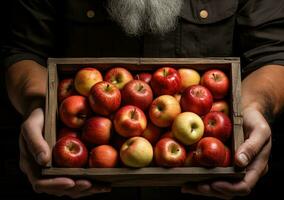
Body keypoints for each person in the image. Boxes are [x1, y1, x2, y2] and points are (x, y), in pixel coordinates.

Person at [1, 0, 284, 199]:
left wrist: (253, 107)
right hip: (81, 178)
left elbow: (271, 53)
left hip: (205, 176)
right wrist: (39, 107)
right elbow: (25, 50)